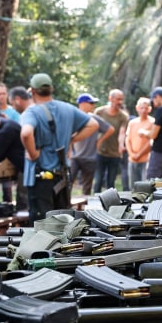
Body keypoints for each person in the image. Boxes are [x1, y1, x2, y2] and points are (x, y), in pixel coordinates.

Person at [20, 73, 98, 222]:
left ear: (33, 91)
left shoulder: (32, 112)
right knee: (63, 222)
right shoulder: (67, 108)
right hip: (62, 176)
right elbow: (93, 124)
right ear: (51, 89)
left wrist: (33, 153)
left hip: (40, 178)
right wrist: (71, 140)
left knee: (42, 226)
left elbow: (26, 133)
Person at [71, 93, 108, 196]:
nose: (93, 106)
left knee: (87, 186)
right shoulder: (73, 116)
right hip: (74, 156)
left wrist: (99, 141)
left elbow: (110, 129)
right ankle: (64, 205)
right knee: (68, 182)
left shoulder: (94, 118)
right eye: (91, 103)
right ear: (82, 103)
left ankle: (84, 209)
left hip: (89, 157)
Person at [94, 89, 129, 192]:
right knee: (98, 180)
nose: (120, 102)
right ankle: (94, 204)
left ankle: (109, 204)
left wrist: (121, 145)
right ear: (110, 98)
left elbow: (122, 133)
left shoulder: (123, 116)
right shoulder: (99, 112)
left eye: (121, 100)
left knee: (111, 182)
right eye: (118, 99)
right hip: (100, 151)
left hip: (115, 154)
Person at [126, 97, 154, 185]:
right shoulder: (132, 122)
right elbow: (127, 139)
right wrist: (131, 153)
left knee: (145, 185)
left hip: (145, 159)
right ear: (137, 108)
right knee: (133, 185)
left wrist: (139, 154)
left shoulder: (152, 122)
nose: (143, 110)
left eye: (146, 108)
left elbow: (151, 141)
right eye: (141, 108)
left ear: (149, 109)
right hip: (132, 159)